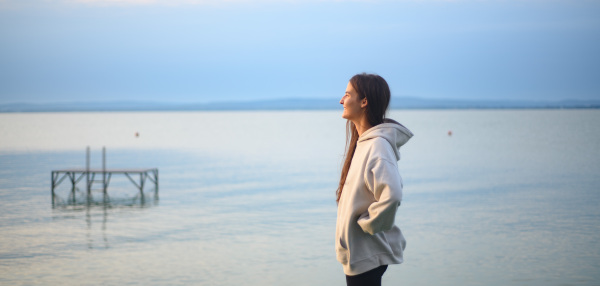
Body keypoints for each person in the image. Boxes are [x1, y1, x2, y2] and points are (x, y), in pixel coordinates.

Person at [335, 73, 413, 286]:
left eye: (347, 94)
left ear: (364, 101)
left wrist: (370, 225)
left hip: (365, 255)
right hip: (359, 255)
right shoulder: (364, 143)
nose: (341, 100)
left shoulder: (377, 145)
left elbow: (393, 193)